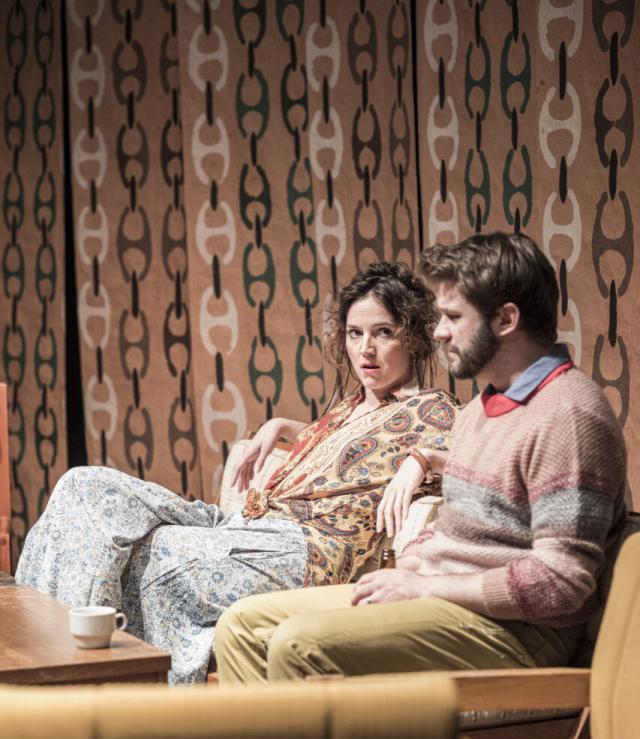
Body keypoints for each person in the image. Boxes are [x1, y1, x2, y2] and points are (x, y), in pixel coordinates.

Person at [15, 261, 459, 683]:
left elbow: (478, 458)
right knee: (82, 484)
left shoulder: (432, 410)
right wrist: (282, 425)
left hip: (303, 551)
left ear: (413, 337)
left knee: (151, 551)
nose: (366, 349)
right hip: (245, 525)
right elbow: (354, 449)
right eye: (355, 333)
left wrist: (422, 460)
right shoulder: (350, 407)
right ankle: (38, 654)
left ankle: (70, 677)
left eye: (384, 333)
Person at [216, 232, 628, 684]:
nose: (438, 331)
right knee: (241, 626)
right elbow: (452, 530)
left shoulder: (568, 416)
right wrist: (408, 569)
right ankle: (277, 735)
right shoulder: (481, 409)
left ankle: (317, 734)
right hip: (445, 601)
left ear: (506, 319)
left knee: (298, 643)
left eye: (454, 316)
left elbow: (561, 584)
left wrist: (425, 586)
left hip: (517, 633)